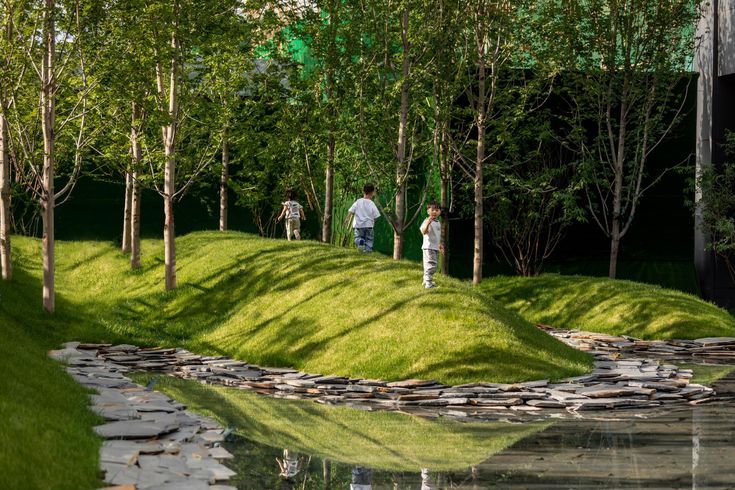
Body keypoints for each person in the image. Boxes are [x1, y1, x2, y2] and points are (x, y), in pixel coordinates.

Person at [344, 183, 380, 252]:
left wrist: (347, 219)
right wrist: (373, 222)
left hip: (359, 226)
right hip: (369, 225)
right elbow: (376, 215)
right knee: (369, 240)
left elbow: (351, 211)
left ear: (363, 191)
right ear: (372, 193)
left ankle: (360, 242)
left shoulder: (358, 202)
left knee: (358, 238)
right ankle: (367, 251)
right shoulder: (372, 203)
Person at [420, 200, 444, 288]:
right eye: (432, 209)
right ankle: (428, 284)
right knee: (432, 265)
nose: (434, 212)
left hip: (434, 247)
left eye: (437, 210)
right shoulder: (427, 221)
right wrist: (427, 223)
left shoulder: (438, 222)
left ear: (440, 212)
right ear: (428, 211)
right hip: (428, 247)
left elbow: (437, 235)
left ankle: (425, 281)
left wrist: (440, 245)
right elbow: (423, 231)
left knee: (431, 265)